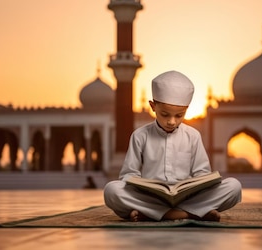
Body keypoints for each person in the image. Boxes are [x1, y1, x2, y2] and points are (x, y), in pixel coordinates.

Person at [104, 70, 242, 222]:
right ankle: (191, 214)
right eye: (165, 114)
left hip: (187, 198)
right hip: (150, 198)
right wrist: (144, 187)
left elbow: (202, 174)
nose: (171, 121)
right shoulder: (140, 135)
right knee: (112, 190)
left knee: (234, 187)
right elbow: (129, 175)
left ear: (186, 110)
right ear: (153, 106)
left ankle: (152, 214)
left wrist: (197, 186)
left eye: (179, 115)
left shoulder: (193, 136)